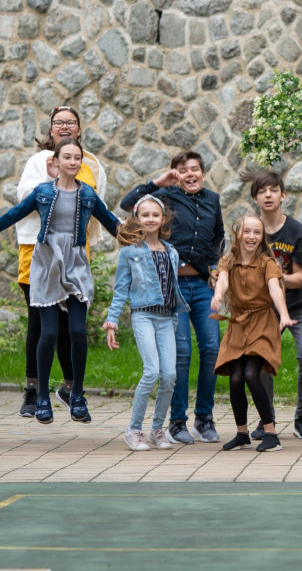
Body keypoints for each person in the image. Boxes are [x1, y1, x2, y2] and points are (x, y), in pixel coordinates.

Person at [0, 138, 121, 423]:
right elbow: (11, 216)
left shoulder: (88, 194)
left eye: (77, 158)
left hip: (76, 266)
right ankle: (42, 397)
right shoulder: (43, 192)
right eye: (67, 157)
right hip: (47, 266)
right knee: (49, 333)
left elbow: (115, 225)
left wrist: (142, 235)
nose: (73, 162)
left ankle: (77, 395)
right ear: (55, 162)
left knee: (77, 332)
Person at [120, 151, 225, 445]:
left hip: (202, 286)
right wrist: (157, 183)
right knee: (181, 353)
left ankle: (204, 419)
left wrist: (216, 268)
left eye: (195, 169)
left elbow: (218, 238)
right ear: (176, 174)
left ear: (202, 173)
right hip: (172, 288)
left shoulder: (213, 199)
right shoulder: (165, 196)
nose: (190, 174)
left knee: (212, 349)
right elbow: (128, 204)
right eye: (183, 170)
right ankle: (177, 422)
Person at [16, 106, 107, 418]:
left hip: (75, 256)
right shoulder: (38, 161)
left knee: (72, 328)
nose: (65, 126)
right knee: (40, 325)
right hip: (38, 253)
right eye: (59, 122)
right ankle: (33, 391)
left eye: (71, 122)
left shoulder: (90, 163)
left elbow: (98, 207)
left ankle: (70, 389)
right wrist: (51, 177)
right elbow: (23, 198)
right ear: (51, 128)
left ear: (79, 129)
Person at [103, 196, 188, 451]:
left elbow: (172, 288)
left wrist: (175, 317)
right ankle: (134, 430)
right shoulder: (130, 252)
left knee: (170, 375)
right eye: (145, 215)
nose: (150, 219)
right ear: (137, 218)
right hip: (143, 316)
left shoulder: (171, 252)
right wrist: (112, 320)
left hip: (167, 318)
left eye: (155, 215)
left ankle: (157, 430)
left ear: (163, 219)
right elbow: (121, 289)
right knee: (151, 371)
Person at [210, 215, 295, 453]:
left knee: (251, 374)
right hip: (238, 325)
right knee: (236, 378)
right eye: (247, 231)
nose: (251, 236)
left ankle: (271, 434)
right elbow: (223, 280)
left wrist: (284, 314)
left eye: (257, 232)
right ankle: (242, 434)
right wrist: (218, 295)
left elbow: (275, 289)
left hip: (262, 323)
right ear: (238, 234)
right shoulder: (229, 260)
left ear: (262, 237)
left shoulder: (267, 263)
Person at [247, 171, 302, 440]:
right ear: (255, 198)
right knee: (261, 359)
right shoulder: (250, 231)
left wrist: (275, 277)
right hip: (264, 307)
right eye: (262, 191)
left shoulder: (296, 230)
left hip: (300, 304)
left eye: (273, 190)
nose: (268, 195)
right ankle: (267, 419)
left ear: (283, 195)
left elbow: (299, 278)